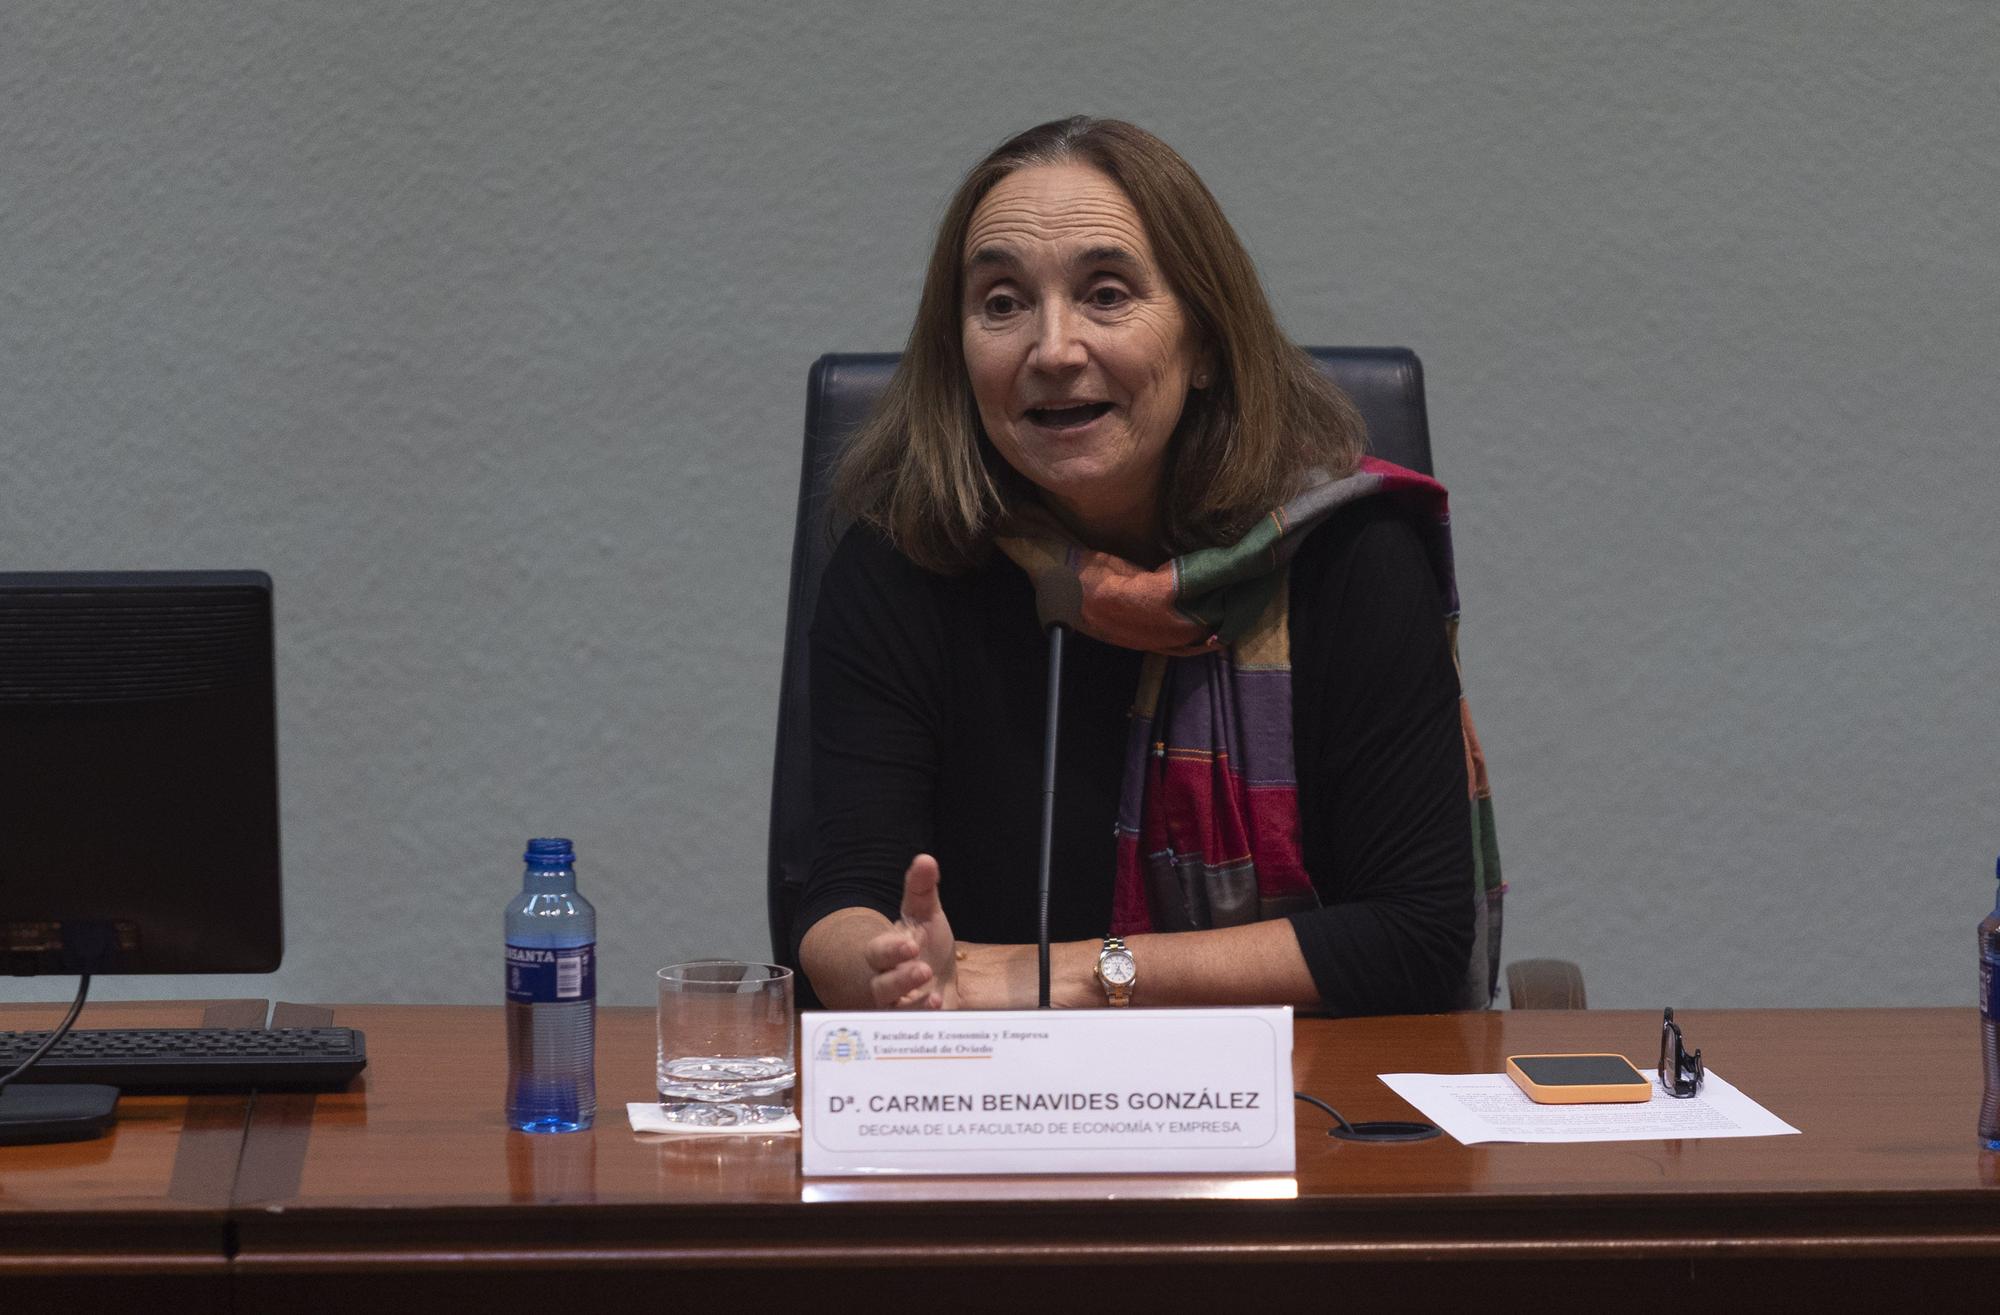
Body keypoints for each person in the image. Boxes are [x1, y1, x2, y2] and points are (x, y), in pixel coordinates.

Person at [796, 116, 1493, 1015]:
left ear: (1204, 342)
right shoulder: (906, 558)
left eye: (1107, 294)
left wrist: (1069, 975)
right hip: (989, 1104)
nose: (1052, 350)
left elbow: (1417, 935)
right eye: (1002, 303)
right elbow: (836, 900)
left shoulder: (1345, 555)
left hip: (1303, 1108)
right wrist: (890, 965)